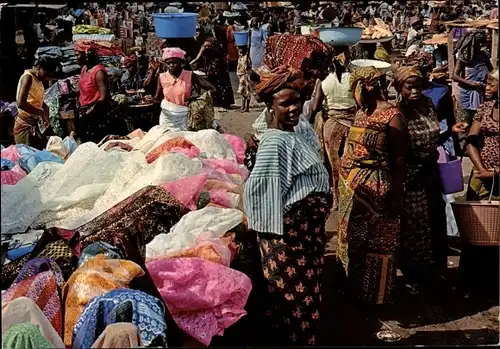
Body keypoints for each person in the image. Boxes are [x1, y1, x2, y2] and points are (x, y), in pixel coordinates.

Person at [243, 66, 331, 346]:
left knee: (304, 298)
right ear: (271, 106)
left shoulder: (292, 135)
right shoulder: (274, 143)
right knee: (295, 303)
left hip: (304, 238)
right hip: (289, 241)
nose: (294, 108)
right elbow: (261, 192)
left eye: (297, 101)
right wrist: (281, 233)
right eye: (286, 104)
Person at [337, 66, 407, 305]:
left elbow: (399, 158)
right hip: (353, 189)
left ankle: (375, 297)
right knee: (354, 240)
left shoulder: (392, 116)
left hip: (377, 188)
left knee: (378, 242)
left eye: (354, 89)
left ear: (366, 87)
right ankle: (353, 288)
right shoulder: (361, 112)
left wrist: (397, 193)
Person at [395, 66, 447, 295]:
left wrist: (449, 132)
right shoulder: (398, 112)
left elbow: (435, 135)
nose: (415, 91)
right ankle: (413, 273)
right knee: (415, 225)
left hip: (431, 172)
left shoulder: (428, 105)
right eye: (410, 87)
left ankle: (435, 270)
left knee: (436, 216)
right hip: (411, 174)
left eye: (418, 86)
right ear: (400, 88)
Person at [155, 47, 214, 130]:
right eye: (168, 63)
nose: (171, 65)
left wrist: (199, 101)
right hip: (167, 118)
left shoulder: (190, 75)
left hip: (185, 117)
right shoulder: (162, 77)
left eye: (174, 62)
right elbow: (157, 98)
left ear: (181, 62)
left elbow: (211, 88)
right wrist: (151, 100)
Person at [465, 69, 499, 201]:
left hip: (495, 173)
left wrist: (495, 172)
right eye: (487, 84)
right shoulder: (485, 108)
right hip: (481, 173)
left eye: (492, 85)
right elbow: (470, 141)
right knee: (478, 217)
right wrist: (482, 169)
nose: (487, 88)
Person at [452, 31, 493, 132]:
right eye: (478, 43)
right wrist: (471, 84)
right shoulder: (464, 56)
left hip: (480, 91)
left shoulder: (483, 56)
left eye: (481, 43)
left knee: (478, 119)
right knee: (464, 120)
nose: (480, 45)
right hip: (465, 94)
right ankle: (463, 143)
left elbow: (492, 72)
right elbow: (455, 76)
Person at [14, 56, 58, 148]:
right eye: (46, 75)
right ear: (39, 68)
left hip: (35, 123)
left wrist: (45, 110)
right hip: (25, 124)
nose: (46, 79)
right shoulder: (28, 78)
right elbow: (21, 103)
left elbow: (37, 101)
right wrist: (40, 112)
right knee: (27, 157)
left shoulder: (39, 80)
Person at [76, 44, 116, 143]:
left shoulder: (99, 72)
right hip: (85, 113)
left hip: (97, 115)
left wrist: (89, 112)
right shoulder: (84, 69)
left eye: (77, 55)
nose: (75, 58)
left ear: (87, 55)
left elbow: (103, 98)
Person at [190, 37, 234, 110]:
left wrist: (191, 64)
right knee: (217, 86)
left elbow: (198, 58)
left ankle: (221, 103)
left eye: (208, 46)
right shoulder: (212, 48)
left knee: (218, 86)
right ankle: (219, 102)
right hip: (215, 69)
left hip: (217, 70)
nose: (207, 47)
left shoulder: (211, 49)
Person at [237, 46, 251, 112]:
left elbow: (248, 67)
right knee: (242, 91)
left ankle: (247, 107)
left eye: (241, 49)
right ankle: (243, 106)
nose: (240, 50)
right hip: (241, 76)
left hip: (246, 76)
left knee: (247, 92)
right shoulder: (240, 57)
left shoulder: (246, 58)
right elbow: (238, 66)